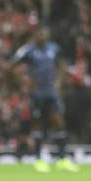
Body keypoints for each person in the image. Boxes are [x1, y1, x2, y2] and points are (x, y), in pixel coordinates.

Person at [13, 26, 79, 173]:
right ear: (35, 35)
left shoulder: (53, 48)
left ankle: (62, 158)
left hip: (51, 92)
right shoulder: (28, 50)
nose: (42, 34)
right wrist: (25, 81)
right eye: (39, 32)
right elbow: (13, 66)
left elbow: (62, 64)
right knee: (39, 123)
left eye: (44, 32)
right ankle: (38, 159)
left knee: (58, 121)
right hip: (37, 93)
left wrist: (59, 82)